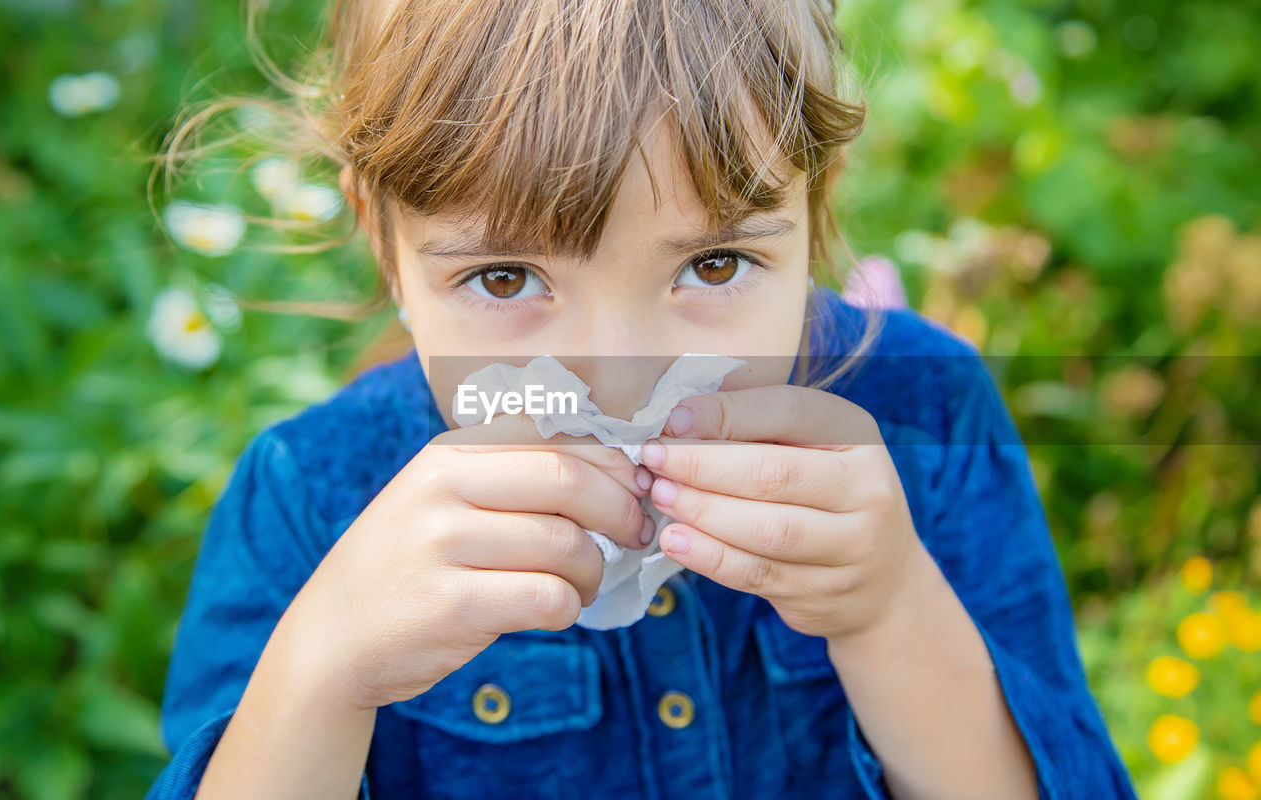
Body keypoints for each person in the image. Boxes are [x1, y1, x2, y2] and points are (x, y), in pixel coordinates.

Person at [146, 1, 1139, 797]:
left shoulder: (924, 415)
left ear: (813, 201)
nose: (615, 380)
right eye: (503, 279)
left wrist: (886, 607)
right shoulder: (307, 499)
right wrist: (321, 671)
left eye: (712, 264)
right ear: (385, 246)